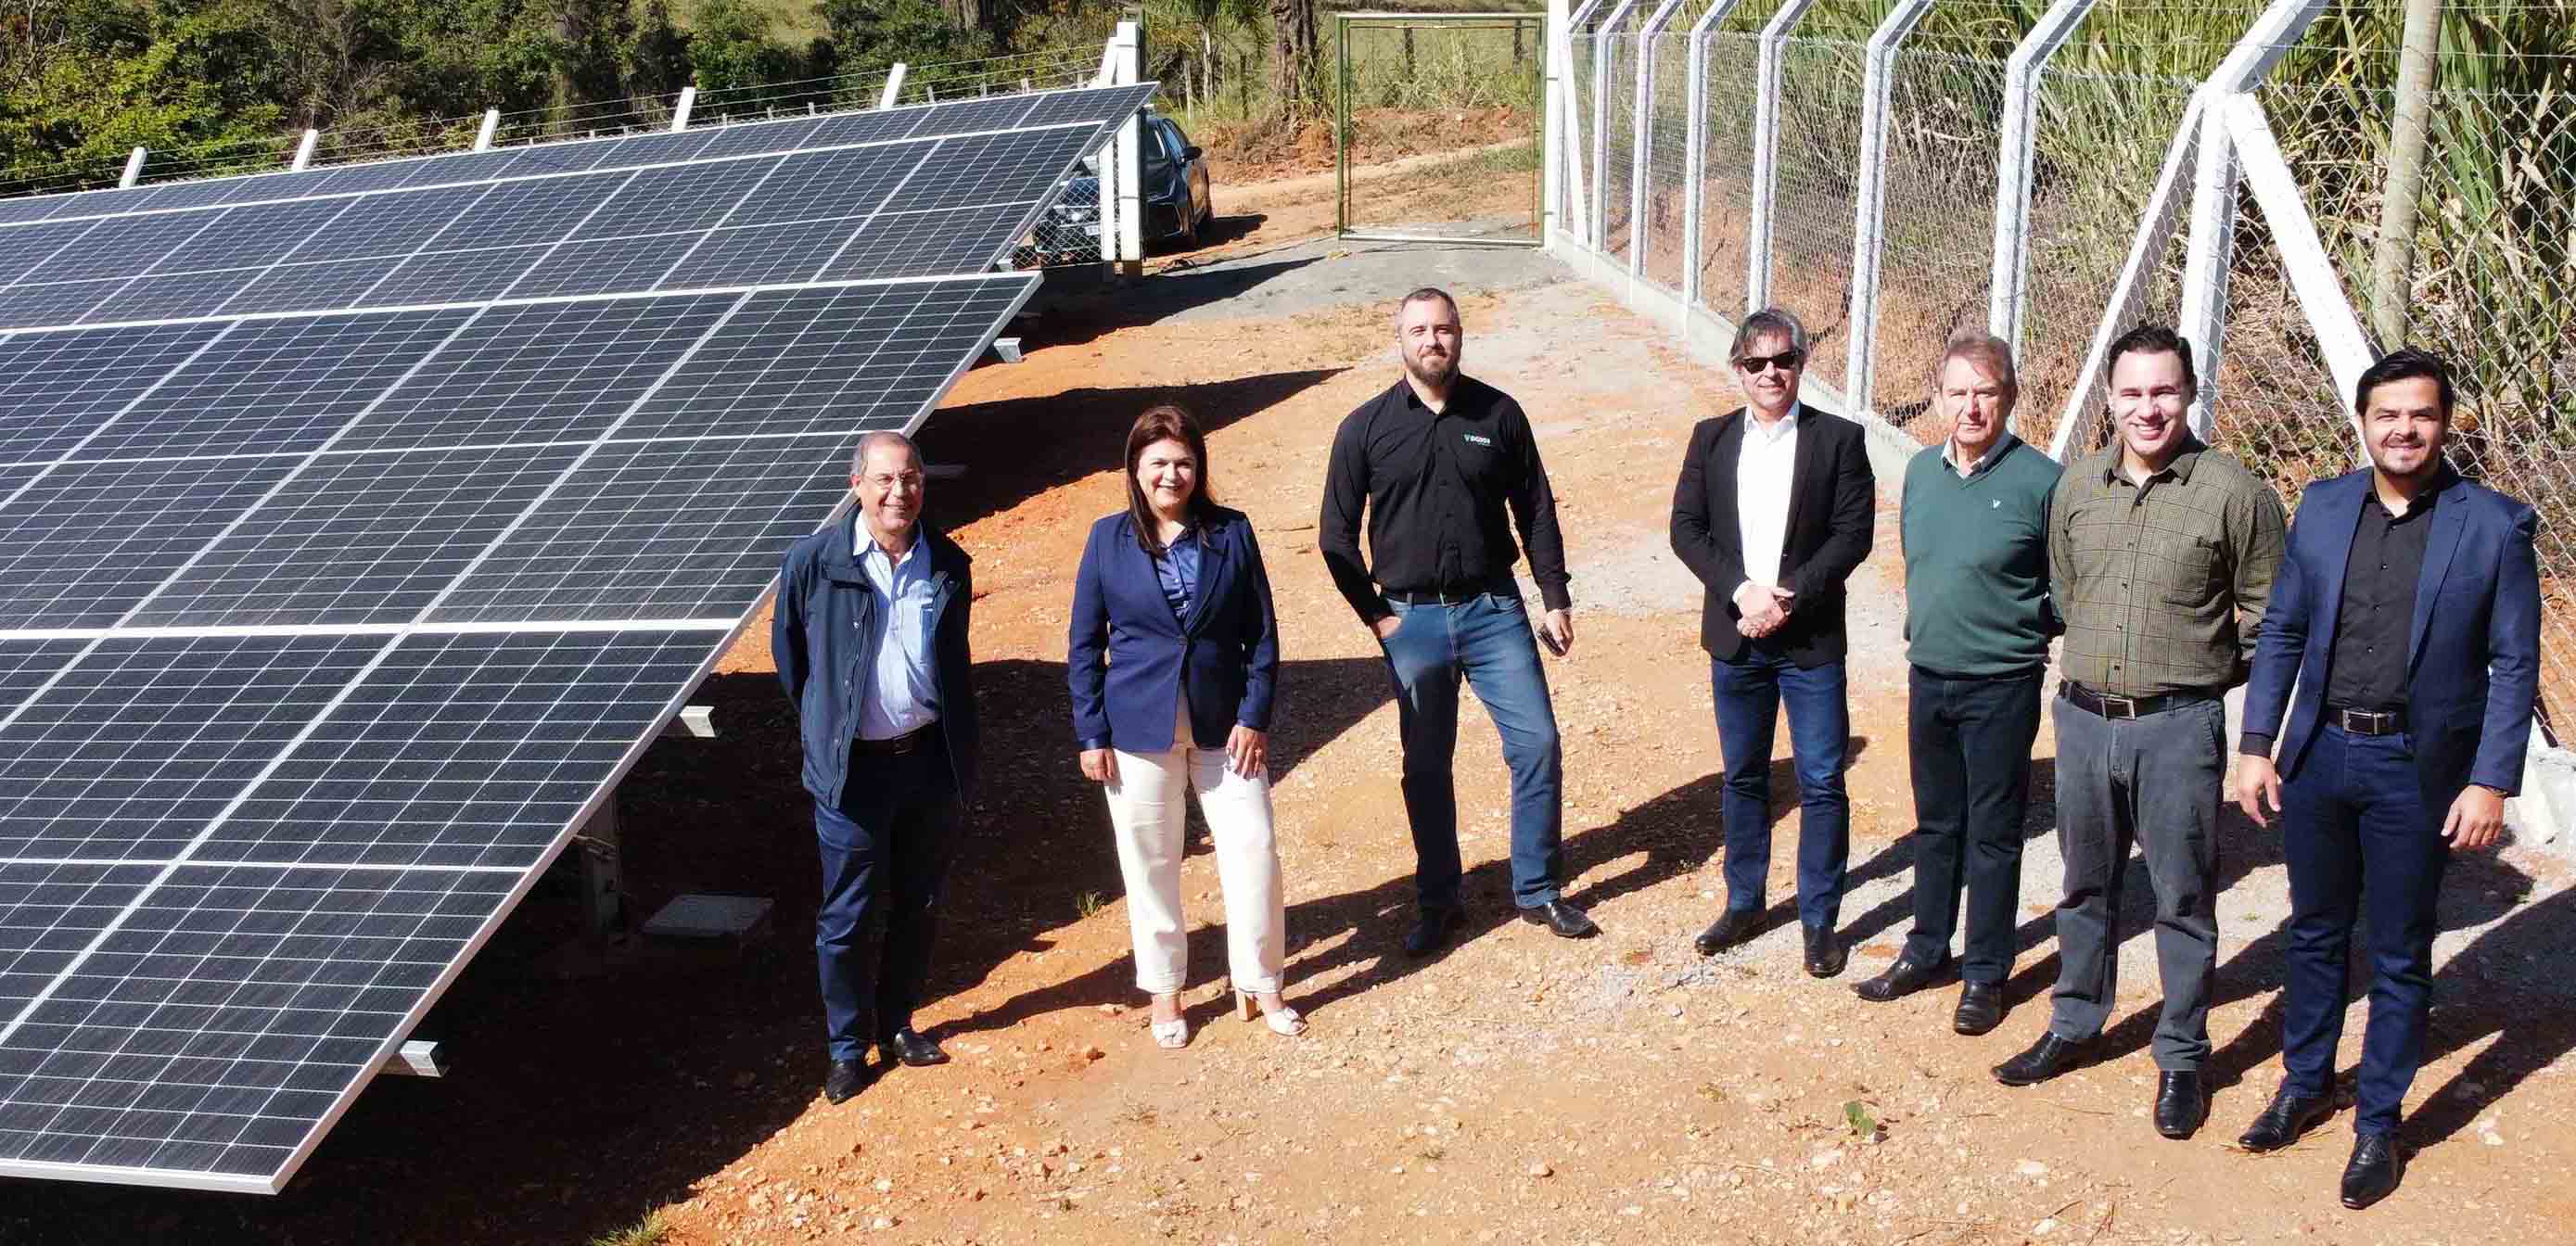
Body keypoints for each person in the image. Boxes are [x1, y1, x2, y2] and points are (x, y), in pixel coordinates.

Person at [2231, 349, 2538, 1209]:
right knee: (2316, 928)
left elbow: (2514, 665)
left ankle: (2379, 1122)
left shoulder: (2495, 526)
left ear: (2446, 424)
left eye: (2422, 415)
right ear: (2362, 422)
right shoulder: (2324, 507)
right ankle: (2305, 1082)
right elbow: (2285, 630)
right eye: (2387, 415)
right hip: (2322, 753)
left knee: (2401, 948)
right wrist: (2258, 743)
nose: (2404, 429)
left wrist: (2491, 782)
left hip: (2419, 768)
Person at [1992, 324, 2286, 1145]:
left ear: (2190, 392)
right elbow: (2065, 585)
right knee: (2085, 884)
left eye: (2163, 391)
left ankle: (2184, 1054)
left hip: (2178, 728)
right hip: (2082, 721)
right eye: (2132, 393)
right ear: (2111, 398)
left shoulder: (2235, 494)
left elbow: (2270, 618)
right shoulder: (2077, 487)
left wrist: (2224, 697)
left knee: (2183, 896)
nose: (2147, 408)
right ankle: (2077, 1020)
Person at [1319, 286, 1594, 956]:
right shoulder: (1365, 427)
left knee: (1537, 745)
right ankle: (1439, 902)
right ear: (1400, 338)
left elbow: (1535, 510)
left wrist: (1552, 595)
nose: (1431, 341)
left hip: (1494, 609)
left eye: (1443, 329)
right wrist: (1377, 617)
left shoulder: (1499, 414)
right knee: (1427, 764)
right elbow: (1335, 534)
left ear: (1460, 335)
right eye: (1418, 330)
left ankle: (1537, 890)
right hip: (1410, 619)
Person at [1068, 404, 1304, 1049]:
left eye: (1183, 462)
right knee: (1151, 863)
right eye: (1158, 464)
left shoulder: (1232, 532)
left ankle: (1263, 983)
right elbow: (1085, 645)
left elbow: (1262, 633)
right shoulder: (1105, 539)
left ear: (1199, 468)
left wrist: (1255, 715)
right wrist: (1091, 733)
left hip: (1225, 726)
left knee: (1253, 849)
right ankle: (1166, 995)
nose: (1171, 475)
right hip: (1136, 730)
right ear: (1135, 470)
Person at [1854, 333, 2059, 1032]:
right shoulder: (1919, 471)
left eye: (1986, 392)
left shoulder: (2041, 481)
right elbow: (1920, 561)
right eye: (1958, 392)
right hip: (1930, 675)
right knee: (1937, 824)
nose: (1971, 407)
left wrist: (2020, 631)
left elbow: (2064, 589)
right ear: (1939, 397)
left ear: (2009, 397)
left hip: (2002, 683)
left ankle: (1986, 972)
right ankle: (1926, 948)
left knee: (1994, 833)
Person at [773, 430, 980, 1106]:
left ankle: (897, 1025)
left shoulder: (947, 562)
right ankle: (844, 1048)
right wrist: (828, 733)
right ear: (855, 485)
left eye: (913, 478)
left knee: (919, 904)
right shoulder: (814, 563)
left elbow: (953, 664)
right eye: (886, 479)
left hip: (926, 762)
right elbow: (794, 664)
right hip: (851, 773)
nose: (901, 492)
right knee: (847, 915)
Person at [1670, 307, 1876, 978]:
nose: (1770, 373)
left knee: (1820, 779)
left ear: (1801, 365)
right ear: (1738, 369)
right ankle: (1745, 902)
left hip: (1809, 639)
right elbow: (1686, 529)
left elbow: (1853, 534)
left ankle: (1819, 921)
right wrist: (1742, 592)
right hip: (1737, 638)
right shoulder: (1709, 439)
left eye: (1782, 360)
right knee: (1744, 776)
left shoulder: (1839, 440)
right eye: (1756, 362)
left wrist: (1787, 595)